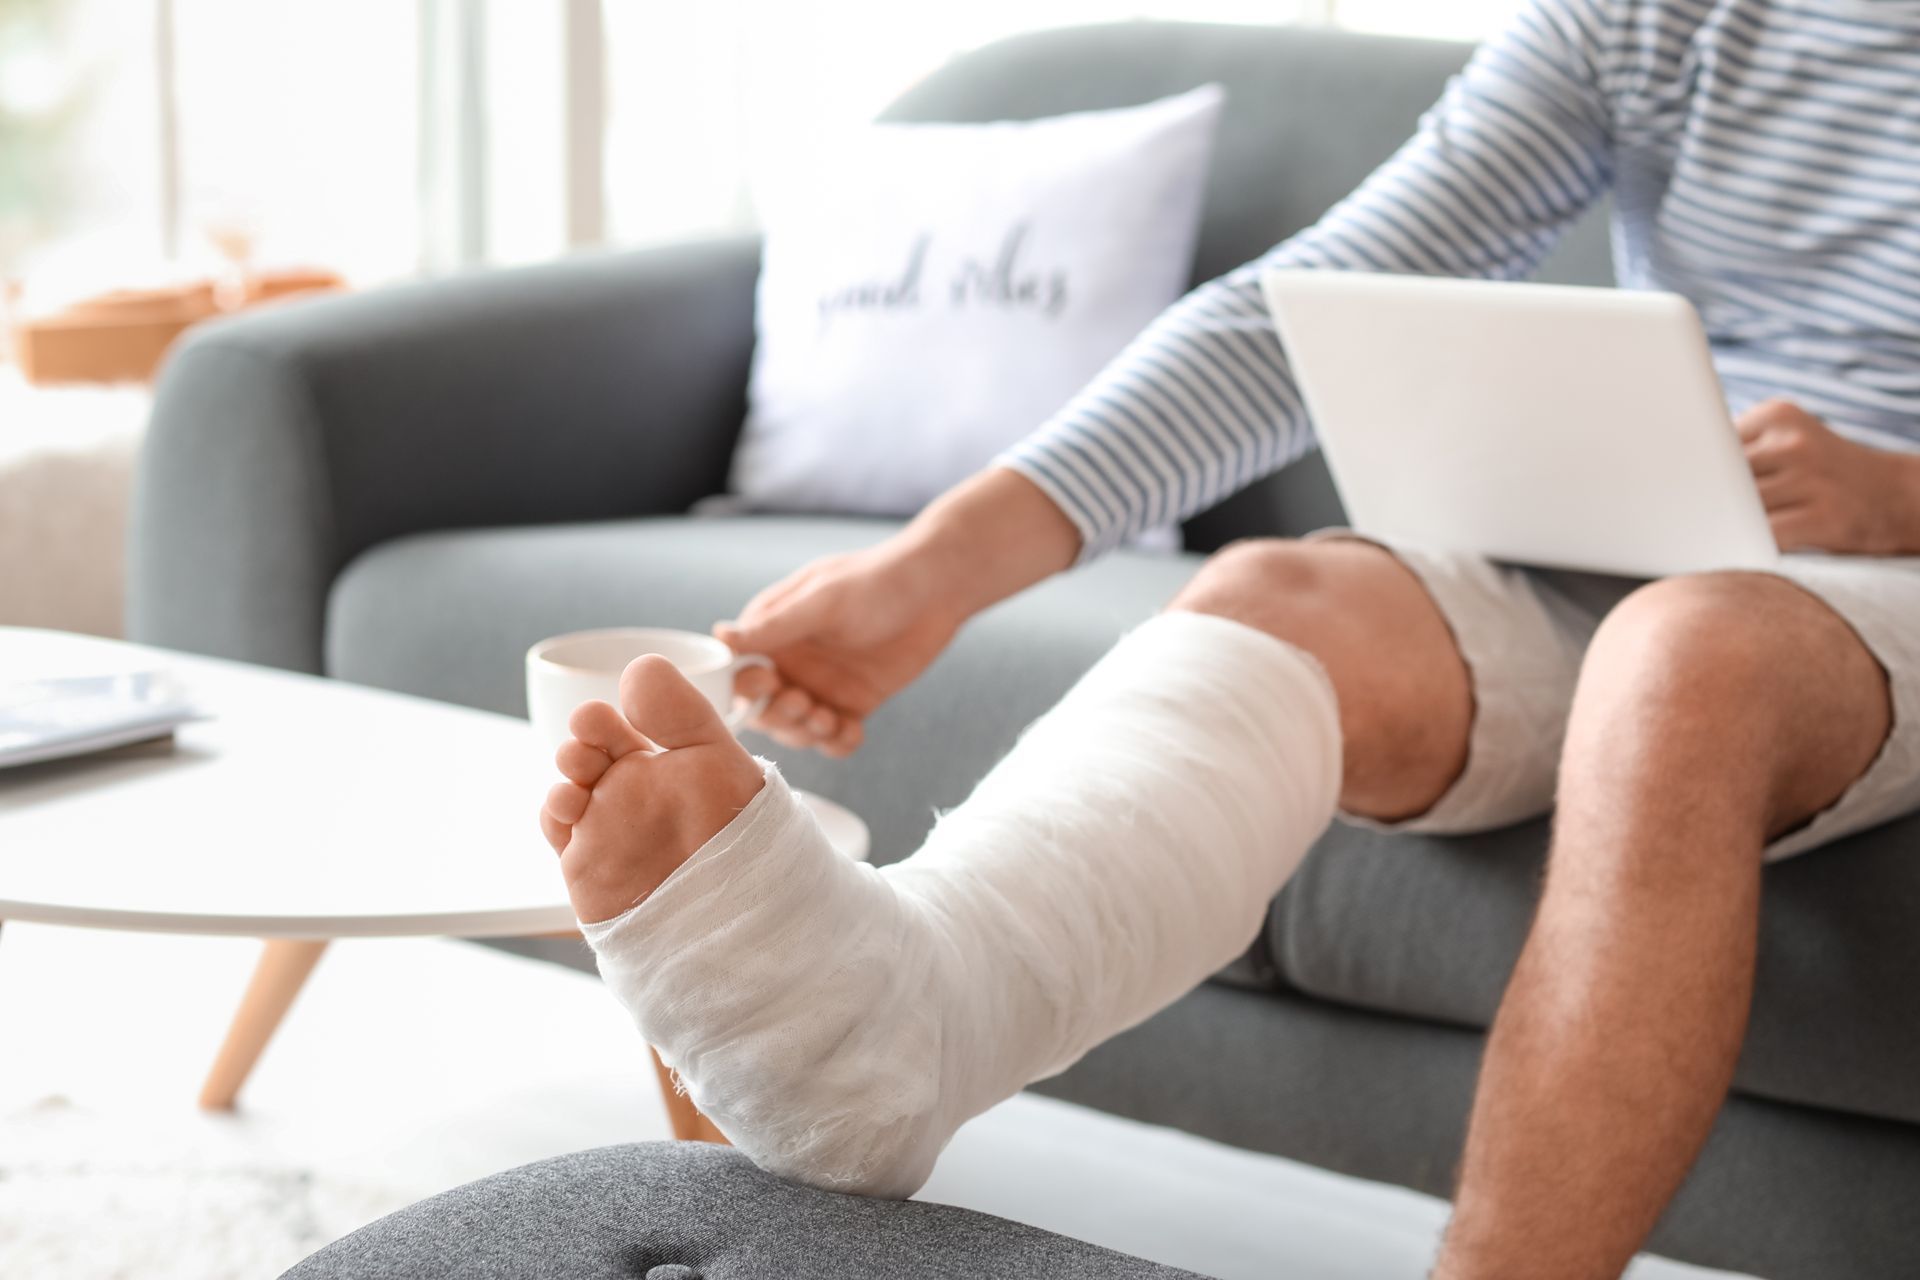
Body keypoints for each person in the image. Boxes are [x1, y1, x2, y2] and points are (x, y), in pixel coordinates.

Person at [538, 1, 1920, 1275]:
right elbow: (1296, 316)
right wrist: (929, 574)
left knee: (1686, 658)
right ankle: (900, 1025)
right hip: (1656, 525)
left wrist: (1899, 491)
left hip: (1871, 574)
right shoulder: (1657, 17)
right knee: (1281, 594)